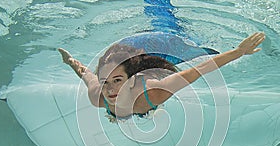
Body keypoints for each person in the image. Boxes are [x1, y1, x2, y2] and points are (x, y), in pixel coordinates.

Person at [58, 31, 265, 122]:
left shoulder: (154, 93)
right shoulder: (98, 97)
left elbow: (195, 71)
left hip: (159, 64)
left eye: (117, 81)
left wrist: (237, 52)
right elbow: (84, 73)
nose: (110, 90)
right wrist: (70, 61)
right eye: (105, 83)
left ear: (131, 79)